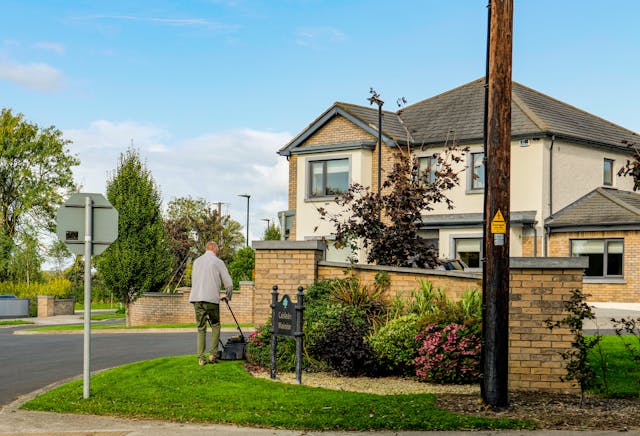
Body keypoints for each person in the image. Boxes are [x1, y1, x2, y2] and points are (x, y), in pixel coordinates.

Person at [189, 241, 233, 366]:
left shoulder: (196, 262)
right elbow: (229, 284)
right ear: (214, 249)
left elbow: (195, 281)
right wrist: (228, 297)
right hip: (211, 299)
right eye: (218, 250)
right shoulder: (218, 262)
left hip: (196, 298)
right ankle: (213, 354)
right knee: (215, 324)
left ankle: (201, 358)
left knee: (201, 328)